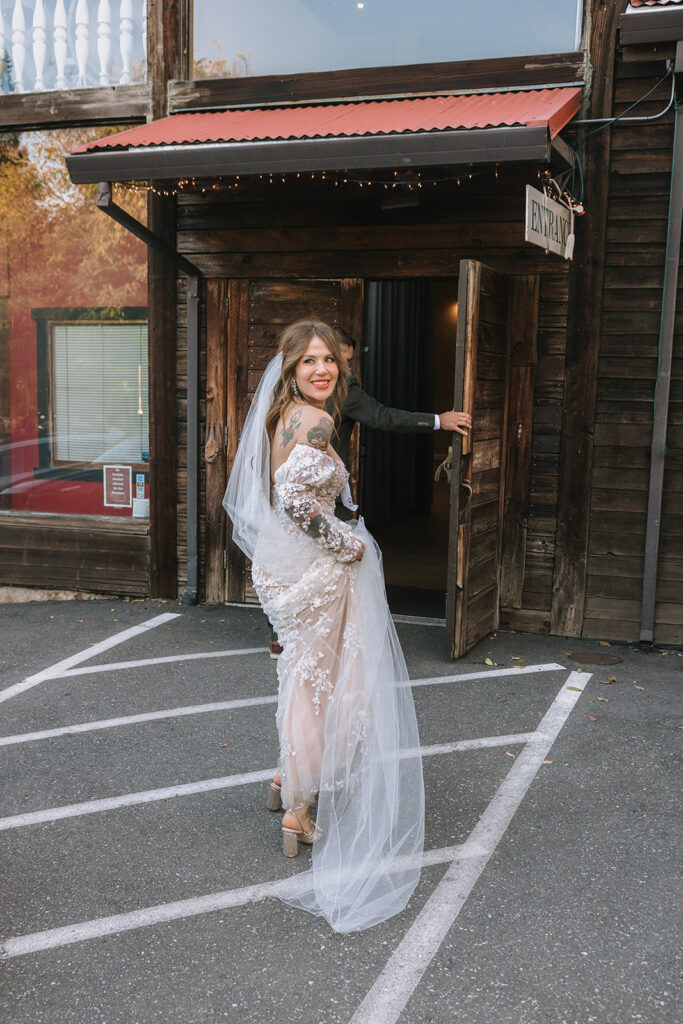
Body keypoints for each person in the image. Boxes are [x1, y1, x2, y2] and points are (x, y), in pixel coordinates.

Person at [223, 319, 424, 933]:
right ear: (290, 368)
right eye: (309, 361)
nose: (322, 370)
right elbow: (296, 502)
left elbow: (274, 493)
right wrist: (347, 545)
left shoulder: (282, 414)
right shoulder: (317, 421)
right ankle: (300, 810)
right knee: (321, 680)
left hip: (280, 566)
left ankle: (288, 775)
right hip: (314, 565)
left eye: (329, 361)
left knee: (302, 671)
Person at [328, 326, 472, 473]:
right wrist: (439, 421)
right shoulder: (344, 389)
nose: (346, 368)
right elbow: (385, 417)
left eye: (349, 362)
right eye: (341, 361)